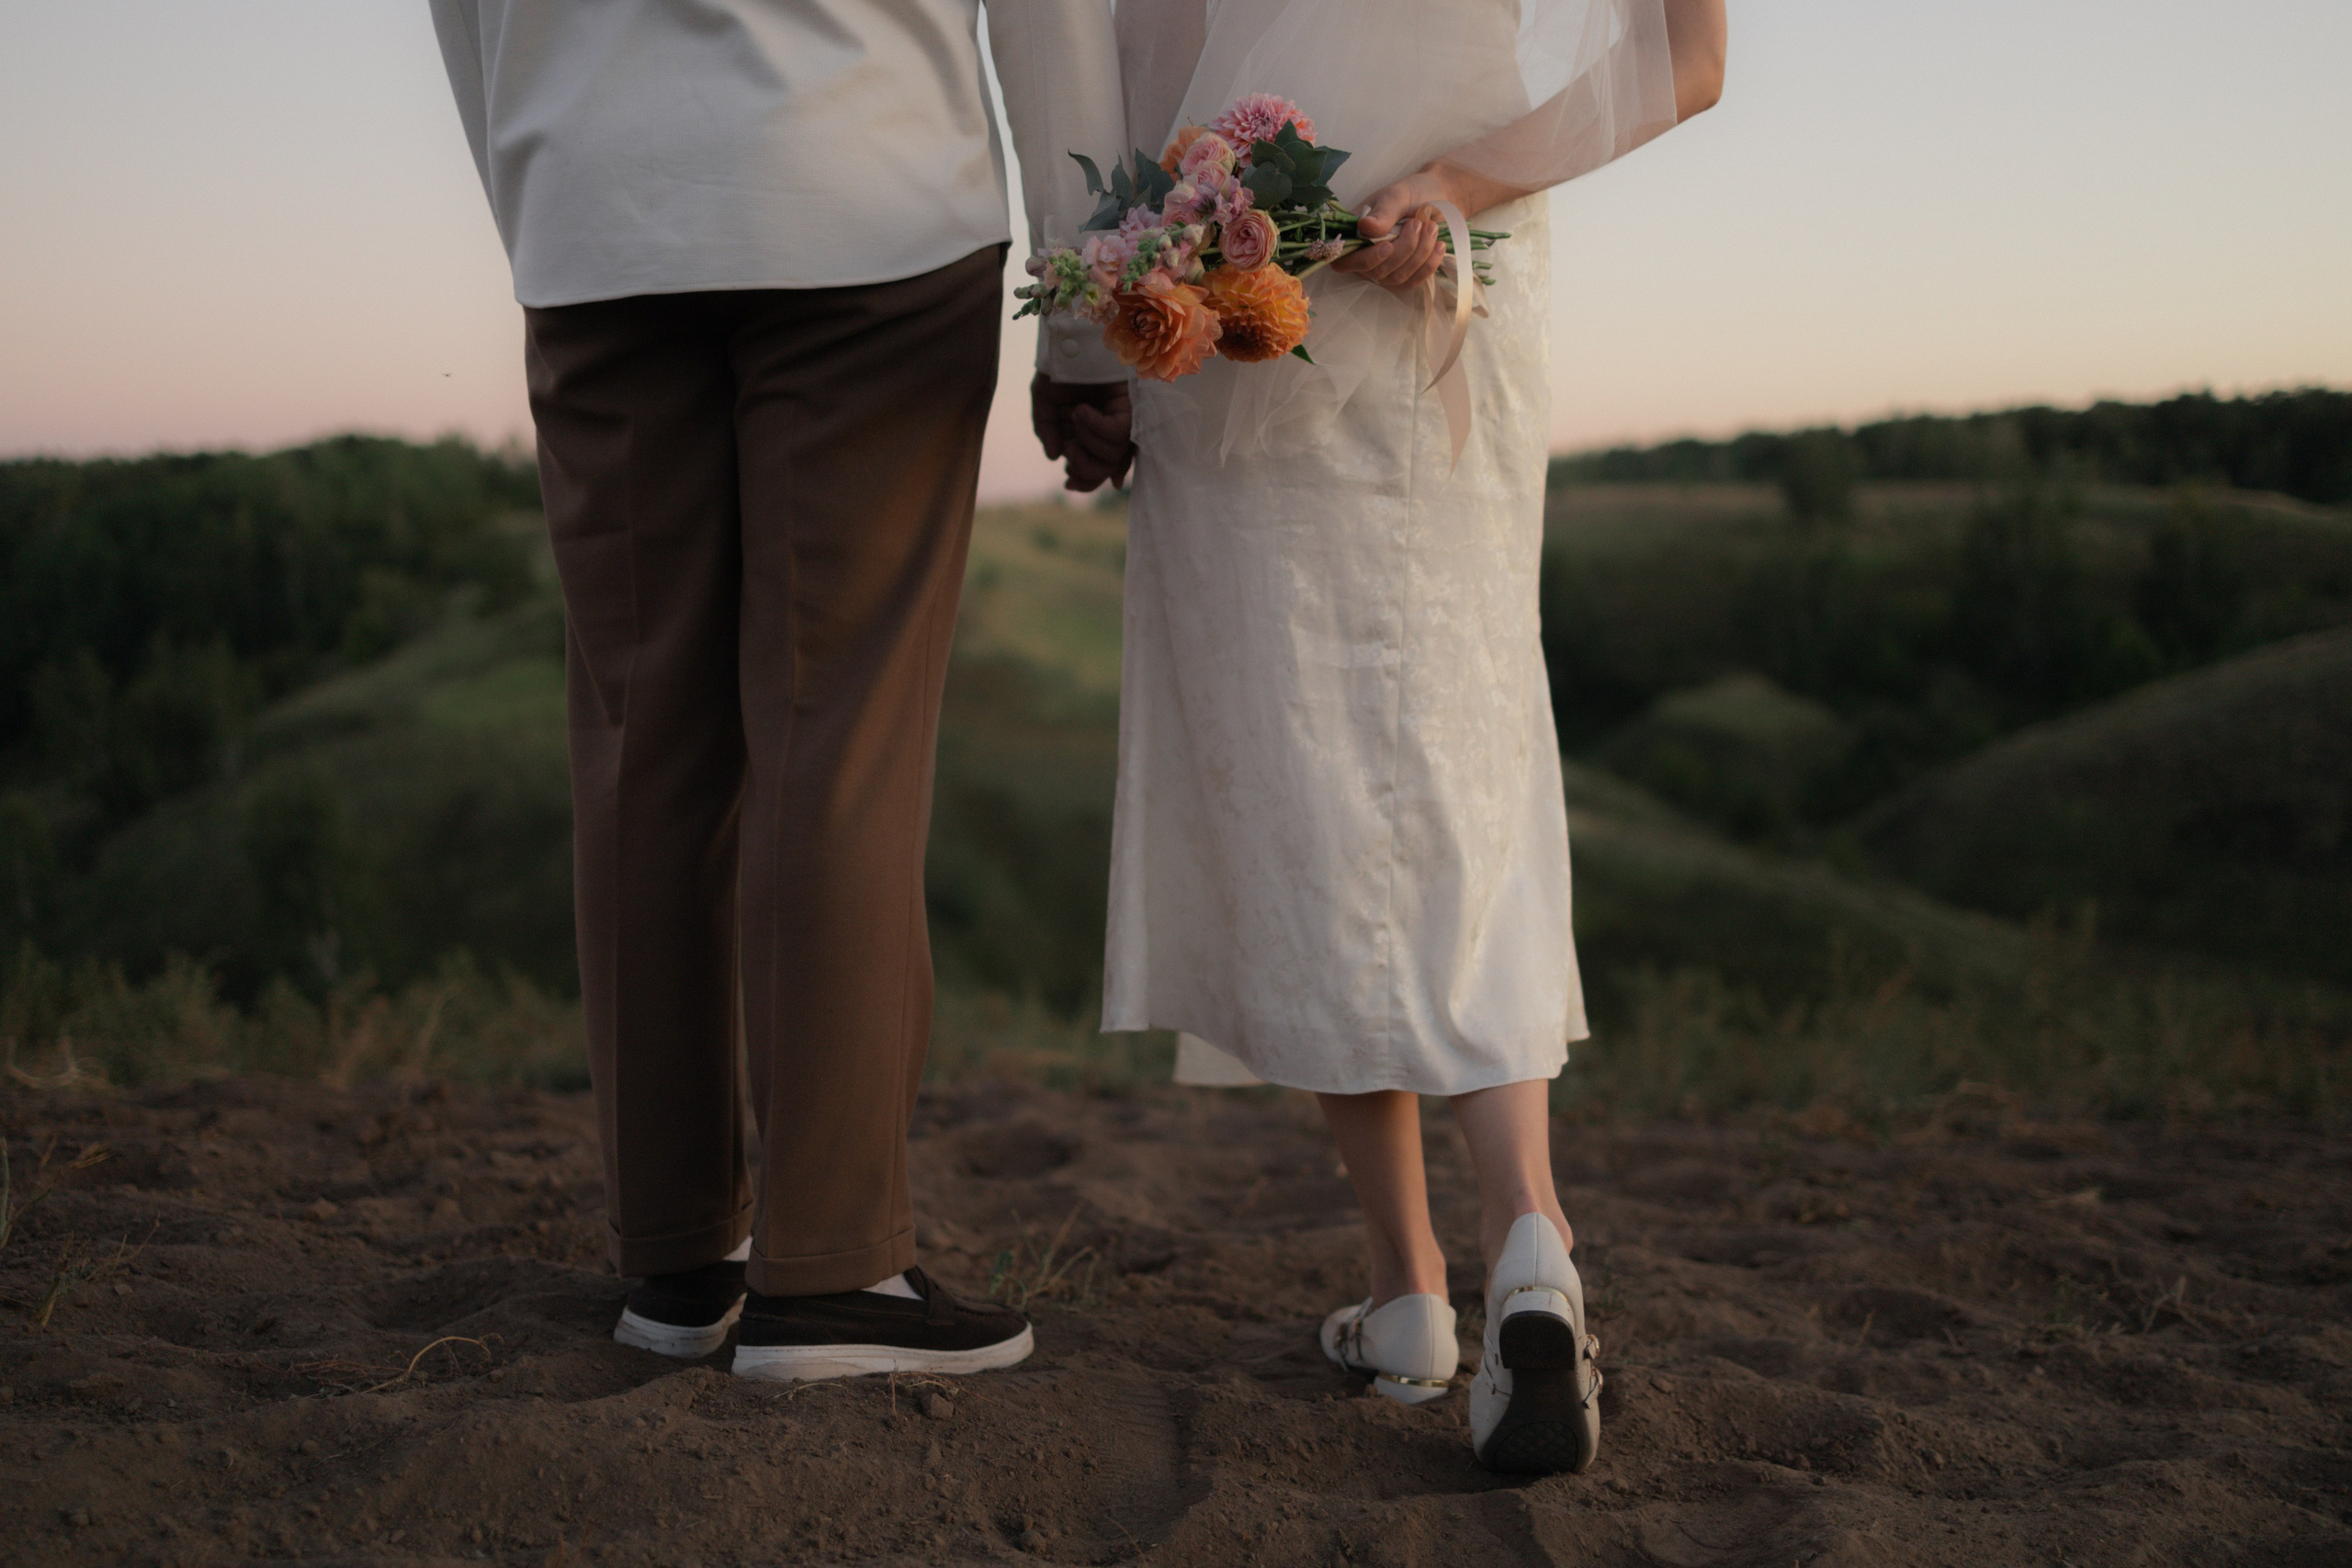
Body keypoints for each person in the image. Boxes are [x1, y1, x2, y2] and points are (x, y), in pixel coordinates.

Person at [1065, 0, 1726, 1472]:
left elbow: (1142, 46)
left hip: (1242, 301)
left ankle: (1408, 1289)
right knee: (1456, 771)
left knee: (1307, 786)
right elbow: (1689, 62)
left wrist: (1110, 299)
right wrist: (1455, 186)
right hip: (1453, 296)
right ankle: (1524, 1243)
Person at [425, 0, 1131, 1380]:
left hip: (592, 218)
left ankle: (679, 1258)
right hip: (864, 206)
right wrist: (1089, 325)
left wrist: (547, 195)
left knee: (643, 743)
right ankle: (834, 1270)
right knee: (841, 735)